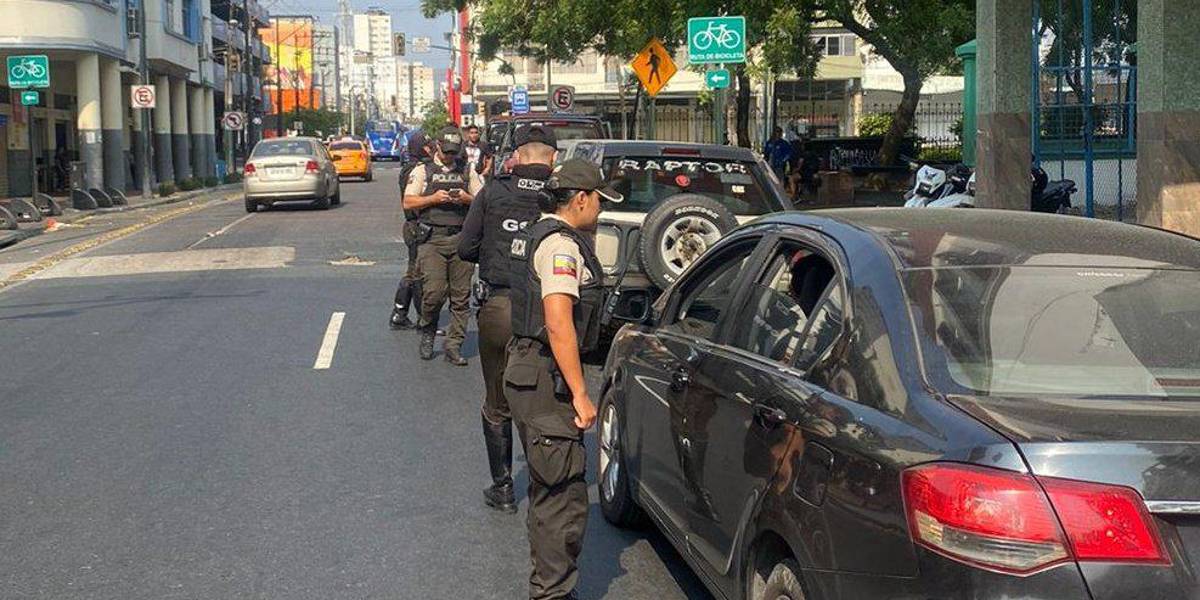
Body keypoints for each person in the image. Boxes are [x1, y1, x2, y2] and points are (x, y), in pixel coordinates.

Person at [505, 158, 623, 600]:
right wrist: (580, 394)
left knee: (548, 487)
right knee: (562, 494)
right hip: (546, 378)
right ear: (580, 199)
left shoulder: (538, 231)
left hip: (527, 372)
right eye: (598, 200)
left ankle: (550, 587)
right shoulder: (561, 246)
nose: (600, 210)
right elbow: (558, 322)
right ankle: (552, 592)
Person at [458, 125, 558, 514]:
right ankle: (545, 485)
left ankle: (502, 489)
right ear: (553, 157)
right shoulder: (562, 194)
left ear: (515, 157)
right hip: (550, 308)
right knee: (544, 400)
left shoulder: (494, 191)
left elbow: (466, 248)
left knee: (497, 401)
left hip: (500, 307)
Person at [402, 126, 484, 364]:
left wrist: (466, 198)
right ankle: (428, 329)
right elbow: (408, 202)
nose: (449, 156)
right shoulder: (423, 171)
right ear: (437, 146)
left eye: (453, 152)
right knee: (434, 292)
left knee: (461, 297)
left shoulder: (467, 170)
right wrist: (433, 199)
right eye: (446, 151)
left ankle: (454, 345)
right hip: (432, 239)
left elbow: (482, 200)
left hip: (461, 238)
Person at [389, 132, 435, 330]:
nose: (431, 149)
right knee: (418, 274)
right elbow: (410, 202)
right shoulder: (414, 170)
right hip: (417, 226)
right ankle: (423, 320)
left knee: (414, 271)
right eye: (427, 147)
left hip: (417, 226)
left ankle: (400, 313)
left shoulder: (417, 167)